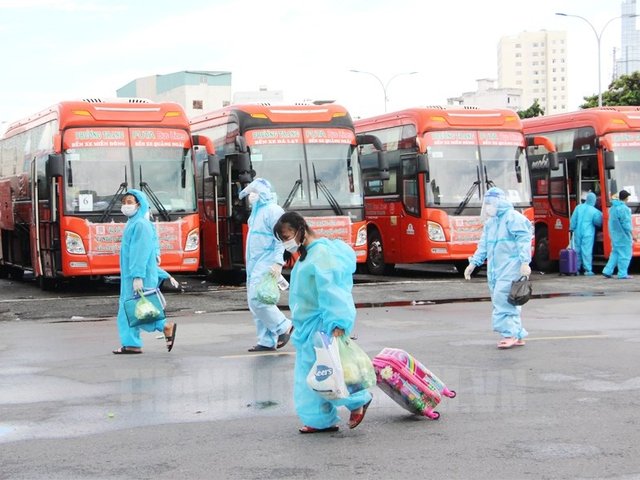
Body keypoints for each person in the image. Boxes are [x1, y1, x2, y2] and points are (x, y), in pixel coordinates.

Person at [273, 211, 372, 433]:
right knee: (312, 375)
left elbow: (333, 291)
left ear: (301, 229)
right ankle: (320, 419)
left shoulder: (321, 255)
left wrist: (337, 322)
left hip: (321, 325)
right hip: (307, 325)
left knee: (328, 372)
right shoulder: (309, 255)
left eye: (287, 236)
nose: (286, 242)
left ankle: (357, 401)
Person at [464, 187, 533, 349]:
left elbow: (524, 239)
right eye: (486, 204)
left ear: (500, 202)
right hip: (496, 270)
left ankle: (509, 334)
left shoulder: (513, 218)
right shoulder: (491, 223)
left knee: (503, 299)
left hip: (511, 267)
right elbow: (483, 245)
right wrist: (473, 263)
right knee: (507, 300)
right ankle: (517, 333)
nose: (488, 207)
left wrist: (525, 262)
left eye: (491, 203)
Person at [113, 189, 179, 354]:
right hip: (134, 274)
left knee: (129, 310)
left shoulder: (140, 225)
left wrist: (137, 276)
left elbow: (139, 252)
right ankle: (163, 328)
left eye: (130, 202)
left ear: (139, 204)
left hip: (136, 275)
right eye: (124, 202)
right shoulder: (136, 223)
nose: (126, 205)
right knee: (138, 309)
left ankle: (133, 343)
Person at [238, 178, 293, 352]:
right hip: (255, 262)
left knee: (258, 299)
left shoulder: (273, 210)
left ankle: (284, 326)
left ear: (263, 193)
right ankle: (267, 340)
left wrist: (278, 262)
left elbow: (280, 239)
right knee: (254, 300)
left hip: (267, 261)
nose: (251, 196)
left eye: (254, 193)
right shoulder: (256, 212)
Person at [569, 191, 603, 276]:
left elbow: (573, 220)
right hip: (588, 233)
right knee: (586, 251)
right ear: (594, 200)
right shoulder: (595, 211)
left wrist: (571, 228)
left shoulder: (578, 207)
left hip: (577, 232)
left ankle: (576, 269)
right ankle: (587, 270)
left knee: (576, 250)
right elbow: (598, 223)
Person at [602, 189, 634, 279]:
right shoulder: (624, 209)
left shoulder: (613, 208)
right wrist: (632, 234)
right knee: (625, 255)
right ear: (626, 198)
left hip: (614, 235)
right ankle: (622, 274)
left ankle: (607, 271)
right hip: (623, 236)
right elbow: (626, 224)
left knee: (615, 253)